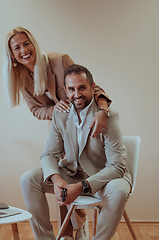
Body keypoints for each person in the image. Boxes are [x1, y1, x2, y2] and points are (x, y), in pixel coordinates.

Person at [3, 27, 112, 240]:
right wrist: (55, 110)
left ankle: (78, 227)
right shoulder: (21, 78)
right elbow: (36, 110)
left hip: (84, 129)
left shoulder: (59, 61)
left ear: (33, 43)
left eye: (27, 43)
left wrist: (103, 110)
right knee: (59, 179)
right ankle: (61, 235)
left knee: (74, 176)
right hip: (59, 132)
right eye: (17, 47)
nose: (24, 50)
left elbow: (91, 86)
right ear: (13, 57)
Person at [21, 64, 132, 240]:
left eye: (82, 88)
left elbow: (117, 166)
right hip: (72, 175)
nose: (77, 94)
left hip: (103, 179)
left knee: (119, 189)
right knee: (29, 179)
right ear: (65, 90)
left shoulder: (108, 116)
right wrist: (57, 181)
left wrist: (82, 186)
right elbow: (49, 154)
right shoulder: (60, 114)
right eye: (71, 89)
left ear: (92, 87)